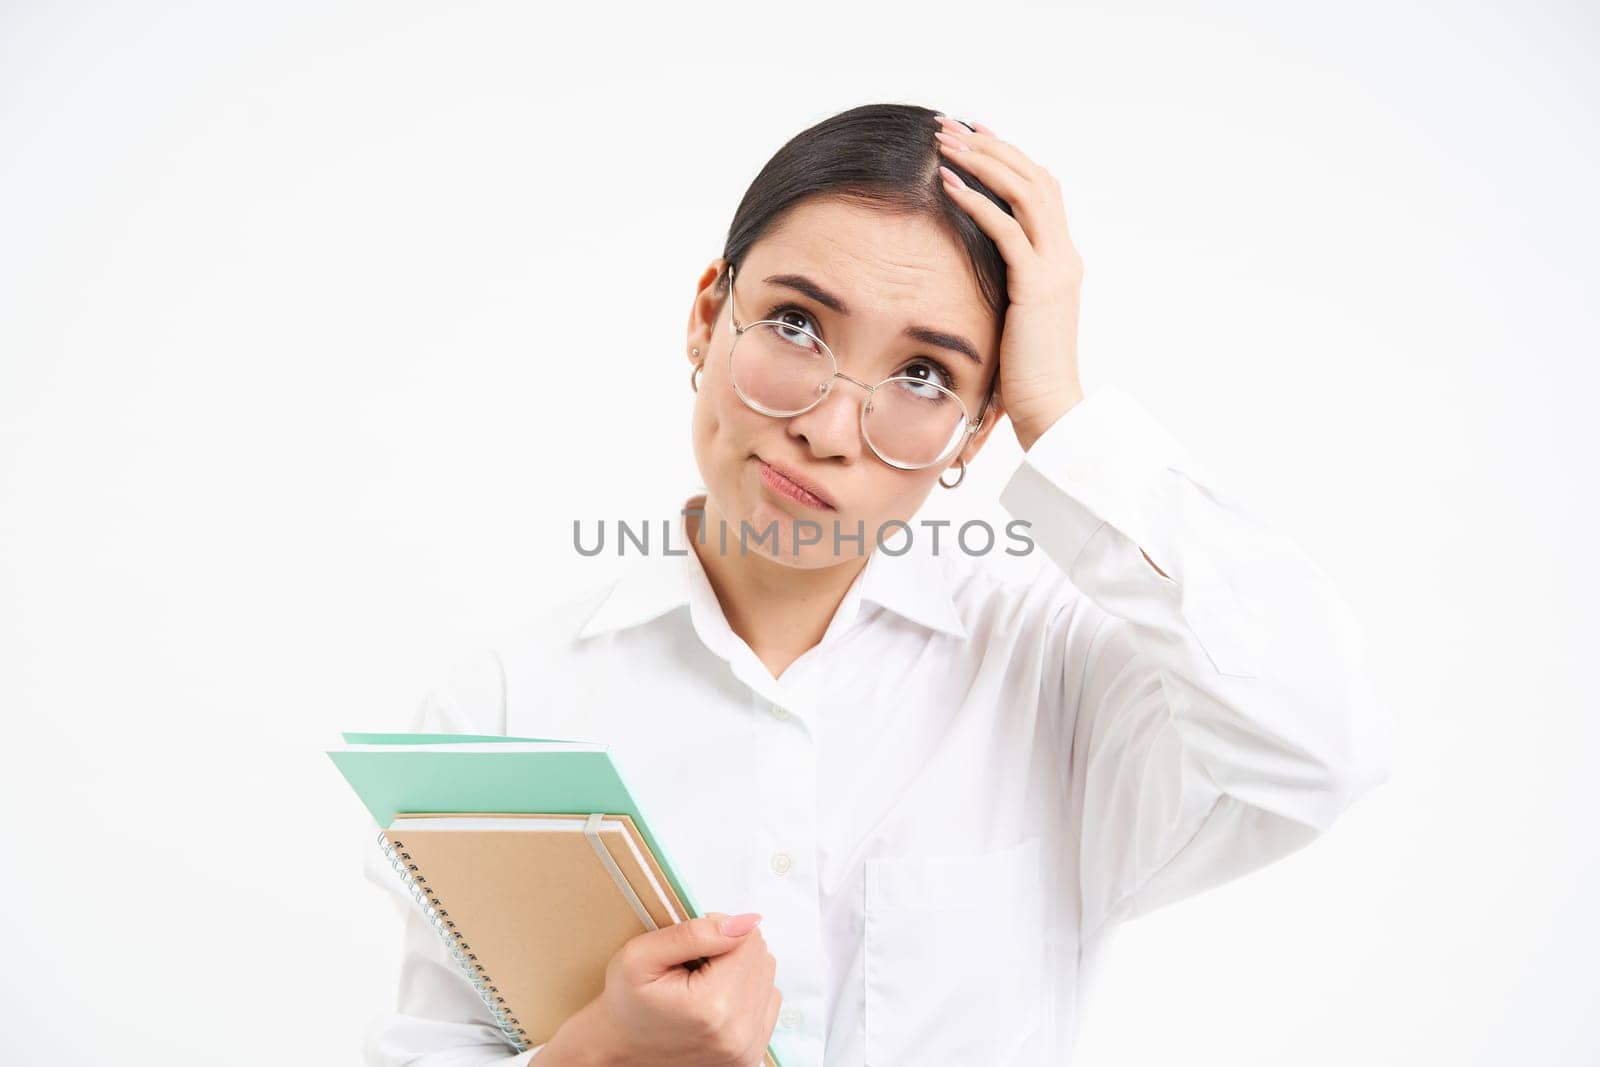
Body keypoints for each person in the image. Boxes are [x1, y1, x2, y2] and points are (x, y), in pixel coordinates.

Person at [359, 102, 1391, 1067]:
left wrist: (1058, 415)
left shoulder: (1059, 678)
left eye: (924, 376)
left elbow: (1315, 745)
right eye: (798, 323)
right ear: (708, 313)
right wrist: (595, 1050)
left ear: (973, 431)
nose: (826, 426)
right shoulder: (507, 710)